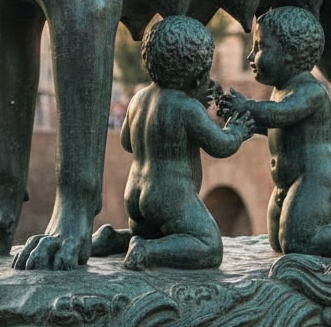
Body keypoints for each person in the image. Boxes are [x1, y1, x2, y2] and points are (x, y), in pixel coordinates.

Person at [91, 16, 255, 270]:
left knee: (153, 232)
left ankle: (111, 238)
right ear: (199, 76)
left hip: (135, 193)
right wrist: (237, 130)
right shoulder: (187, 108)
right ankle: (146, 251)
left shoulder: (139, 99)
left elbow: (127, 142)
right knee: (208, 245)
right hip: (169, 197)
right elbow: (220, 145)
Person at [219, 7, 331, 259]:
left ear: (289, 54)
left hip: (317, 181)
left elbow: (282, 114)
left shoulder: (310, 91)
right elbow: (276, 125)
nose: (251, 56)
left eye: (260, 47)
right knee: (278, 242)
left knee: (298, 241)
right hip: (289, 183)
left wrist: (249, 106)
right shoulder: (280, 91)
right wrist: (244, 122)